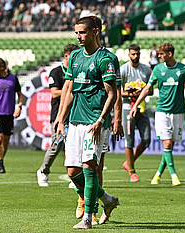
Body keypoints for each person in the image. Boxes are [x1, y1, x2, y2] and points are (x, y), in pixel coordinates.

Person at [56, 16, 119, 229]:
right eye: (76, 33)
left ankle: (87, 218)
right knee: (72, 172)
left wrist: (102, 120)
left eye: (82, 32)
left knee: (90, 168)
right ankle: (107, 200)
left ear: (95, 32)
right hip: (75, 120)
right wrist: (60, 117)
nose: (78, 36)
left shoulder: (106, 59)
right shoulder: (74, 57)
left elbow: (112, 94)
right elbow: (69, 91)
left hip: (95, 122)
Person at [130, 43, 185, 186]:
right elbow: (147, 88)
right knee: (166, 142)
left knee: (170, 145)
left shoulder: (183, 69)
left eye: (161, 54)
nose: (159, 56)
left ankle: (158, 174)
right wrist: (135, 104)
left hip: (178, 112)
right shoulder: (158, 69)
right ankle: (174, 176)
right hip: (162, 112)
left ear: (169, 54)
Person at [37, 44, 80, 187]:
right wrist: (72, 90)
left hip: (75, 115)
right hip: (58, 116)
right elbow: (55, 93)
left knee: (73, 147)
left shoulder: (77, 71)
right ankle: (43, 171)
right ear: (67, 56)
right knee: (56, 146)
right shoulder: (55, 72)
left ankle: (74, 177)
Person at [121, 44, 152, 183]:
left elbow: (150, 90)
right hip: (128, 107)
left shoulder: (146, 70)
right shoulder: (123, 69)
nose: (135, 56)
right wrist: (129, 93)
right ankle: (132, 172)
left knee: (146, 139)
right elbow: (117, 90)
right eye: (133, 54)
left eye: (137, 54)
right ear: (129, 54)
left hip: (142, 107)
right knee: (129, 140)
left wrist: (142, 92)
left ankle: (129, 162)